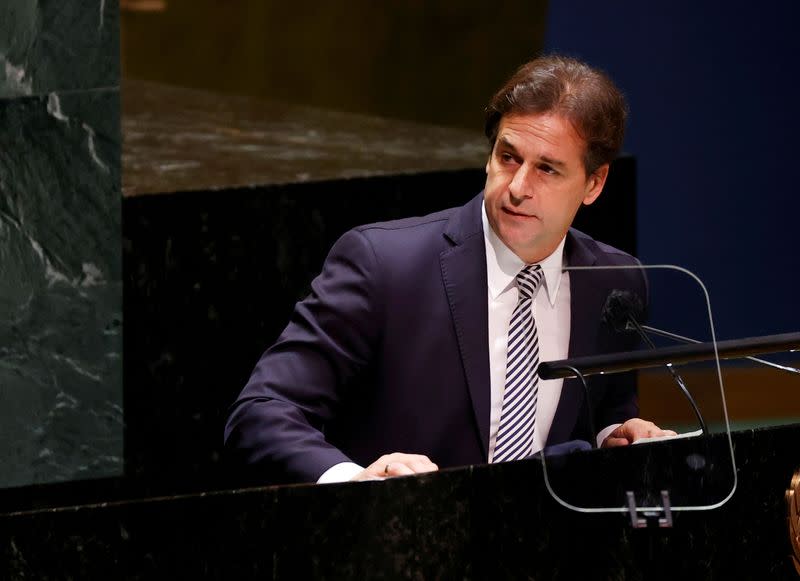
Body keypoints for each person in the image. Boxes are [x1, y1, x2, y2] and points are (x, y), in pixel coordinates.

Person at [224, 55, 675, 485]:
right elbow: (262, 410)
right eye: (508, 156)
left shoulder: (616, 280)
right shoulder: (383, 264)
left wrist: (613, 434)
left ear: (594, 183)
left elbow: (604, 408)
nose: (518, 188)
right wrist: (355, 479)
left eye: (547, 170)